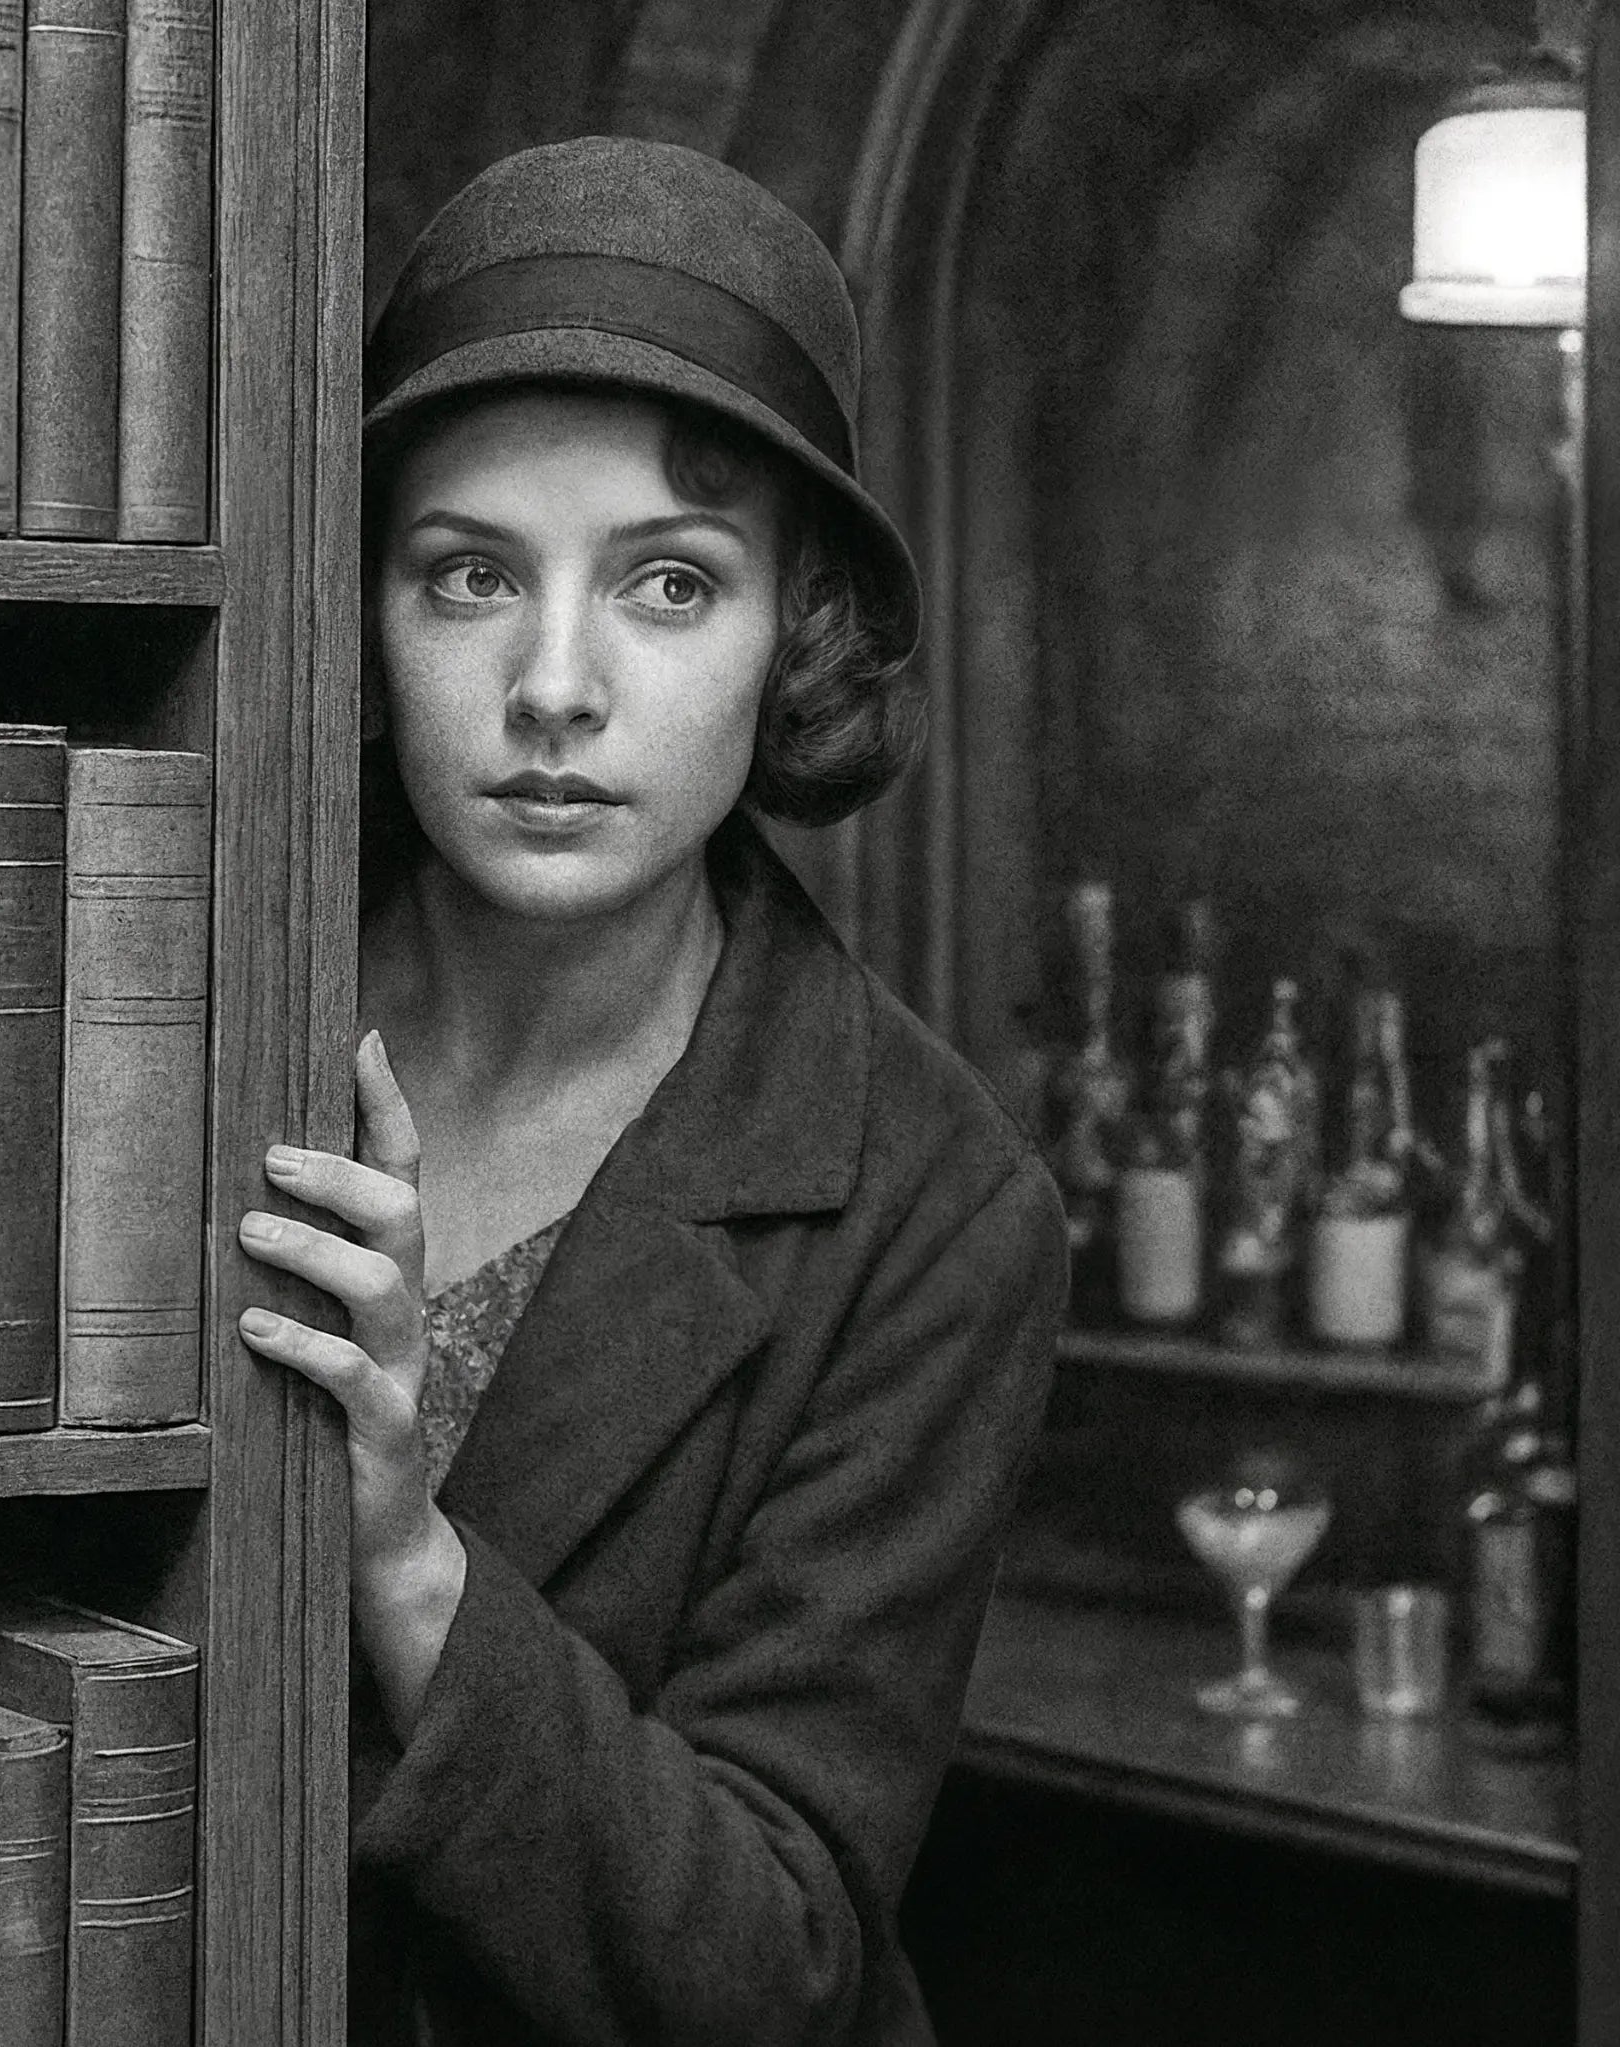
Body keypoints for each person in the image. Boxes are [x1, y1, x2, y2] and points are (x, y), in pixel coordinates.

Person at [236, 135, 1068, 2047]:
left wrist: (403, 1558)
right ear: (365, 614)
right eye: (467, 578)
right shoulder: (175, 997)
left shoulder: (932, 1209)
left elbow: (775, 1959)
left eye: (668, 588)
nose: (553, 684)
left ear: (799, 638)